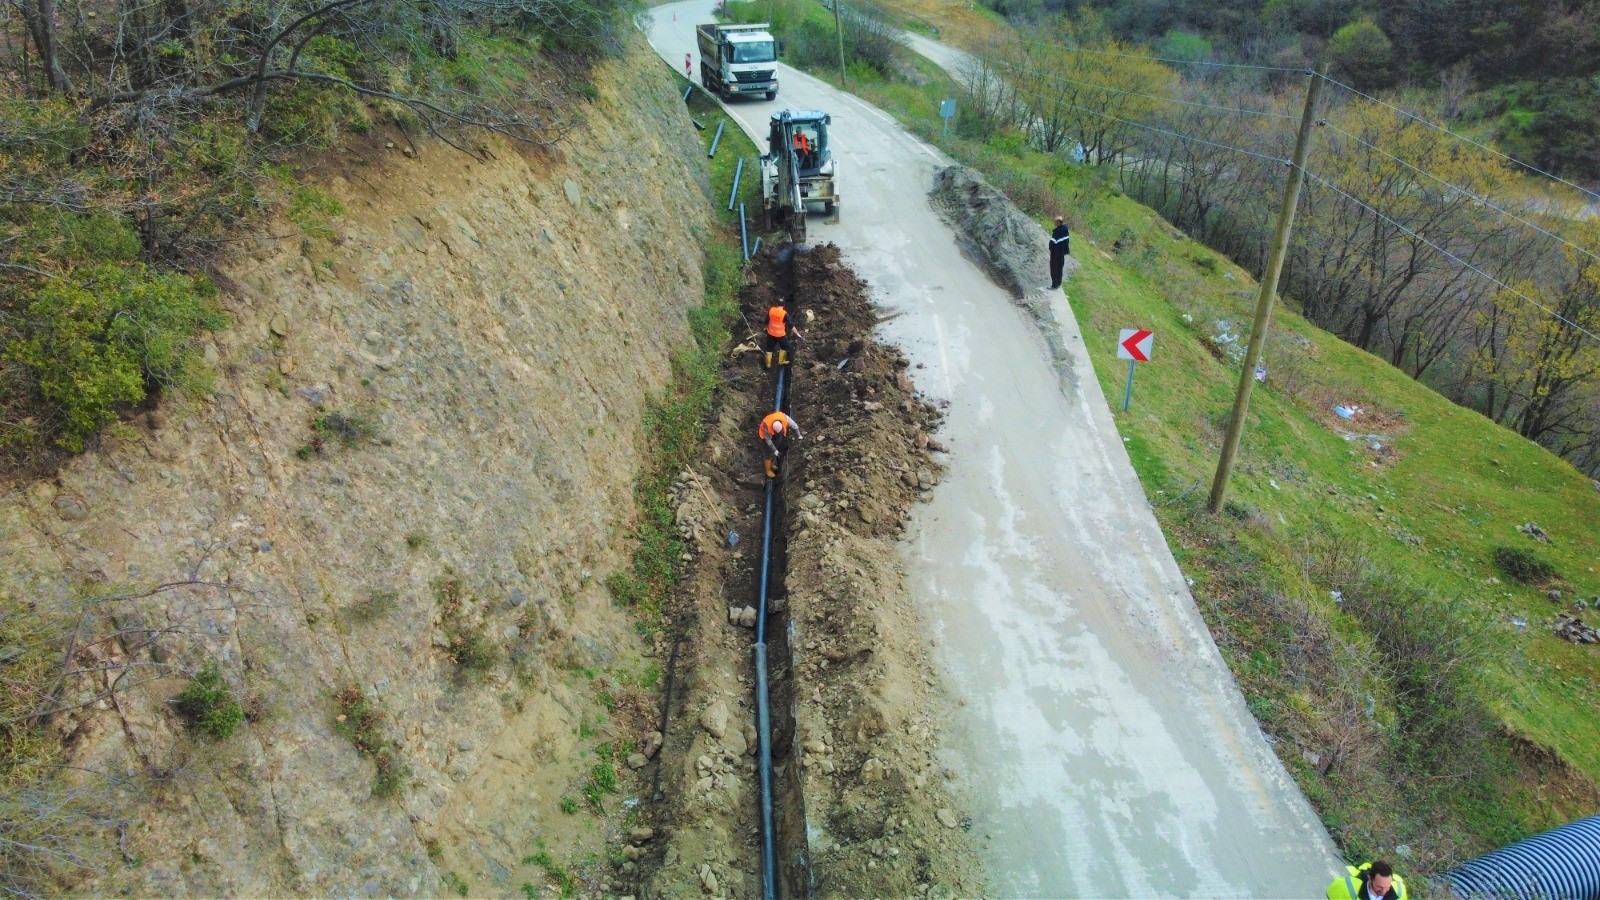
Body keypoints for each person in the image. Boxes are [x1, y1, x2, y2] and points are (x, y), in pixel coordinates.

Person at [1326, 861, 1407, 900]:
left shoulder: (1400, 892)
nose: (1383, 892)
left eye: (1388, 887)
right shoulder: (1346, 888)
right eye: (1380, 887)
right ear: (1370, 878)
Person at [758, 410, 803, 478]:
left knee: (777, 444)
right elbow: (769, 442)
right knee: (768, 452)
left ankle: (772, 463)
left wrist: (799, 436)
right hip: (766, 435)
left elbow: (795, 426)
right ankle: (768, 470)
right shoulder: (766, 428)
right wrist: (774, 450)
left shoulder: (785, 418)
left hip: (774, 431)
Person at [764, 298, 802, 368]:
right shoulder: (784, 314)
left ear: (777, 304)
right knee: (785, 346)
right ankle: (781, 361)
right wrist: (798, 334)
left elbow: (766, 321)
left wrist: (765, 327)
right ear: (784, 305)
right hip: (780, 335)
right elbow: (790, 325)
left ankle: (768, 364)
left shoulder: (771, 310)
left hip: (770, 333)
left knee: (769, 348)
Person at [1049, 215, 1072, 290]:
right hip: (1062, 253)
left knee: (1054, 268)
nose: (1054, 223)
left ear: (1058, 222)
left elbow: (1052, 243)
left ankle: (1054, 285)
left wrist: (1051, 249)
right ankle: (1058, 283)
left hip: (1055, 253)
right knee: (1059, 268)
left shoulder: (1057, 232)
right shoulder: (1065, 229)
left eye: (1055, 222)